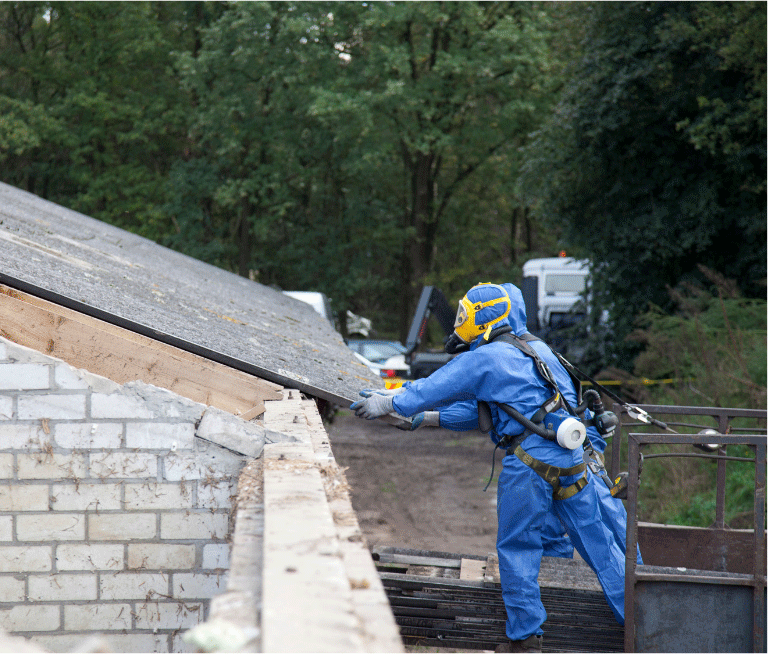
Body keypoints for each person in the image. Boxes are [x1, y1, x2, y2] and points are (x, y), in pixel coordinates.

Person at [351, 282, 628, 653]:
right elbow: (491, 411)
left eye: (464, 316)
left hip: (529, 466)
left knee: (518, 547)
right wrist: (429, 419)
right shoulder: (538, 350)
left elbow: (431, 387)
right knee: (601, 546)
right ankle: (645, 622)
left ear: (483, 316)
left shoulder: (485, 358)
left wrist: (390, 404)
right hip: (572, 461)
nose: (460, 324)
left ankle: (526, 638)